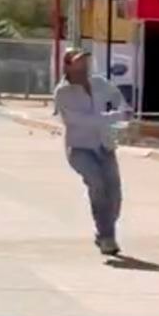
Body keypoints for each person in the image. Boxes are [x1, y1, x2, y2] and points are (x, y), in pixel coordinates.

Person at [53, 48, 131, 256]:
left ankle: (104, 229)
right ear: (67, 66)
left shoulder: (99, 83)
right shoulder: (63, 92)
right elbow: (79, 121)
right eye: (78, 62)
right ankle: (107, 237)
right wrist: (114, 117)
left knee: (114, 195)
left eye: (85, 61)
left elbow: (118, 99)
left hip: (105, 145)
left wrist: (124, 110)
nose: (83, 66)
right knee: (97, 186)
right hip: (80, 148)